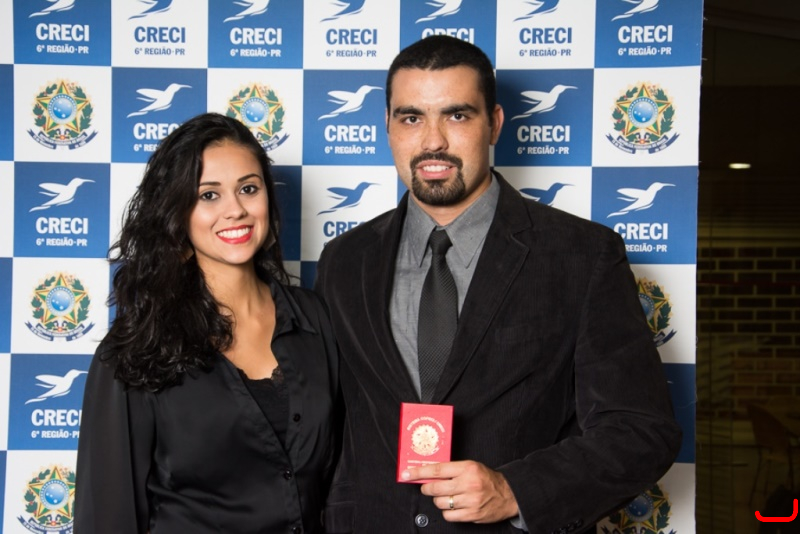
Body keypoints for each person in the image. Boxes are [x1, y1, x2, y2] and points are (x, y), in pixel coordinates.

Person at [314, 35, 682, 533]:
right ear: (388, 126)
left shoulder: (583, 255)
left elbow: (641, 430)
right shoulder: (344, 261)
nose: (433, 141)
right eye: (411, 118)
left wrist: (515, 491)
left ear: (495, 124)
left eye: (456, 115)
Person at [75, 112, 338, 533]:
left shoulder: (317, 318)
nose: (235, 210)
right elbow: (108, 517)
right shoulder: (137, 345)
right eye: (209, 195)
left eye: (248, 189)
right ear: (178, 212)